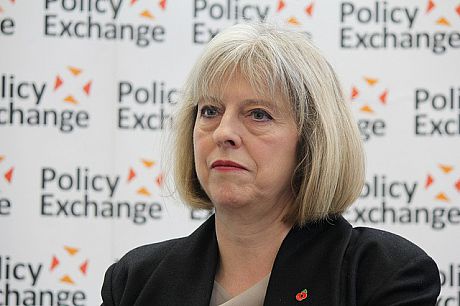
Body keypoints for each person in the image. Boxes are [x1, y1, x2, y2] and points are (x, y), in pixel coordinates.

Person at [101, 23, 440, 306]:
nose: (224, 133)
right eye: (210, 111)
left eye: (258, 114)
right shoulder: (134, 283)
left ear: (311, 140)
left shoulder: (381, 275)